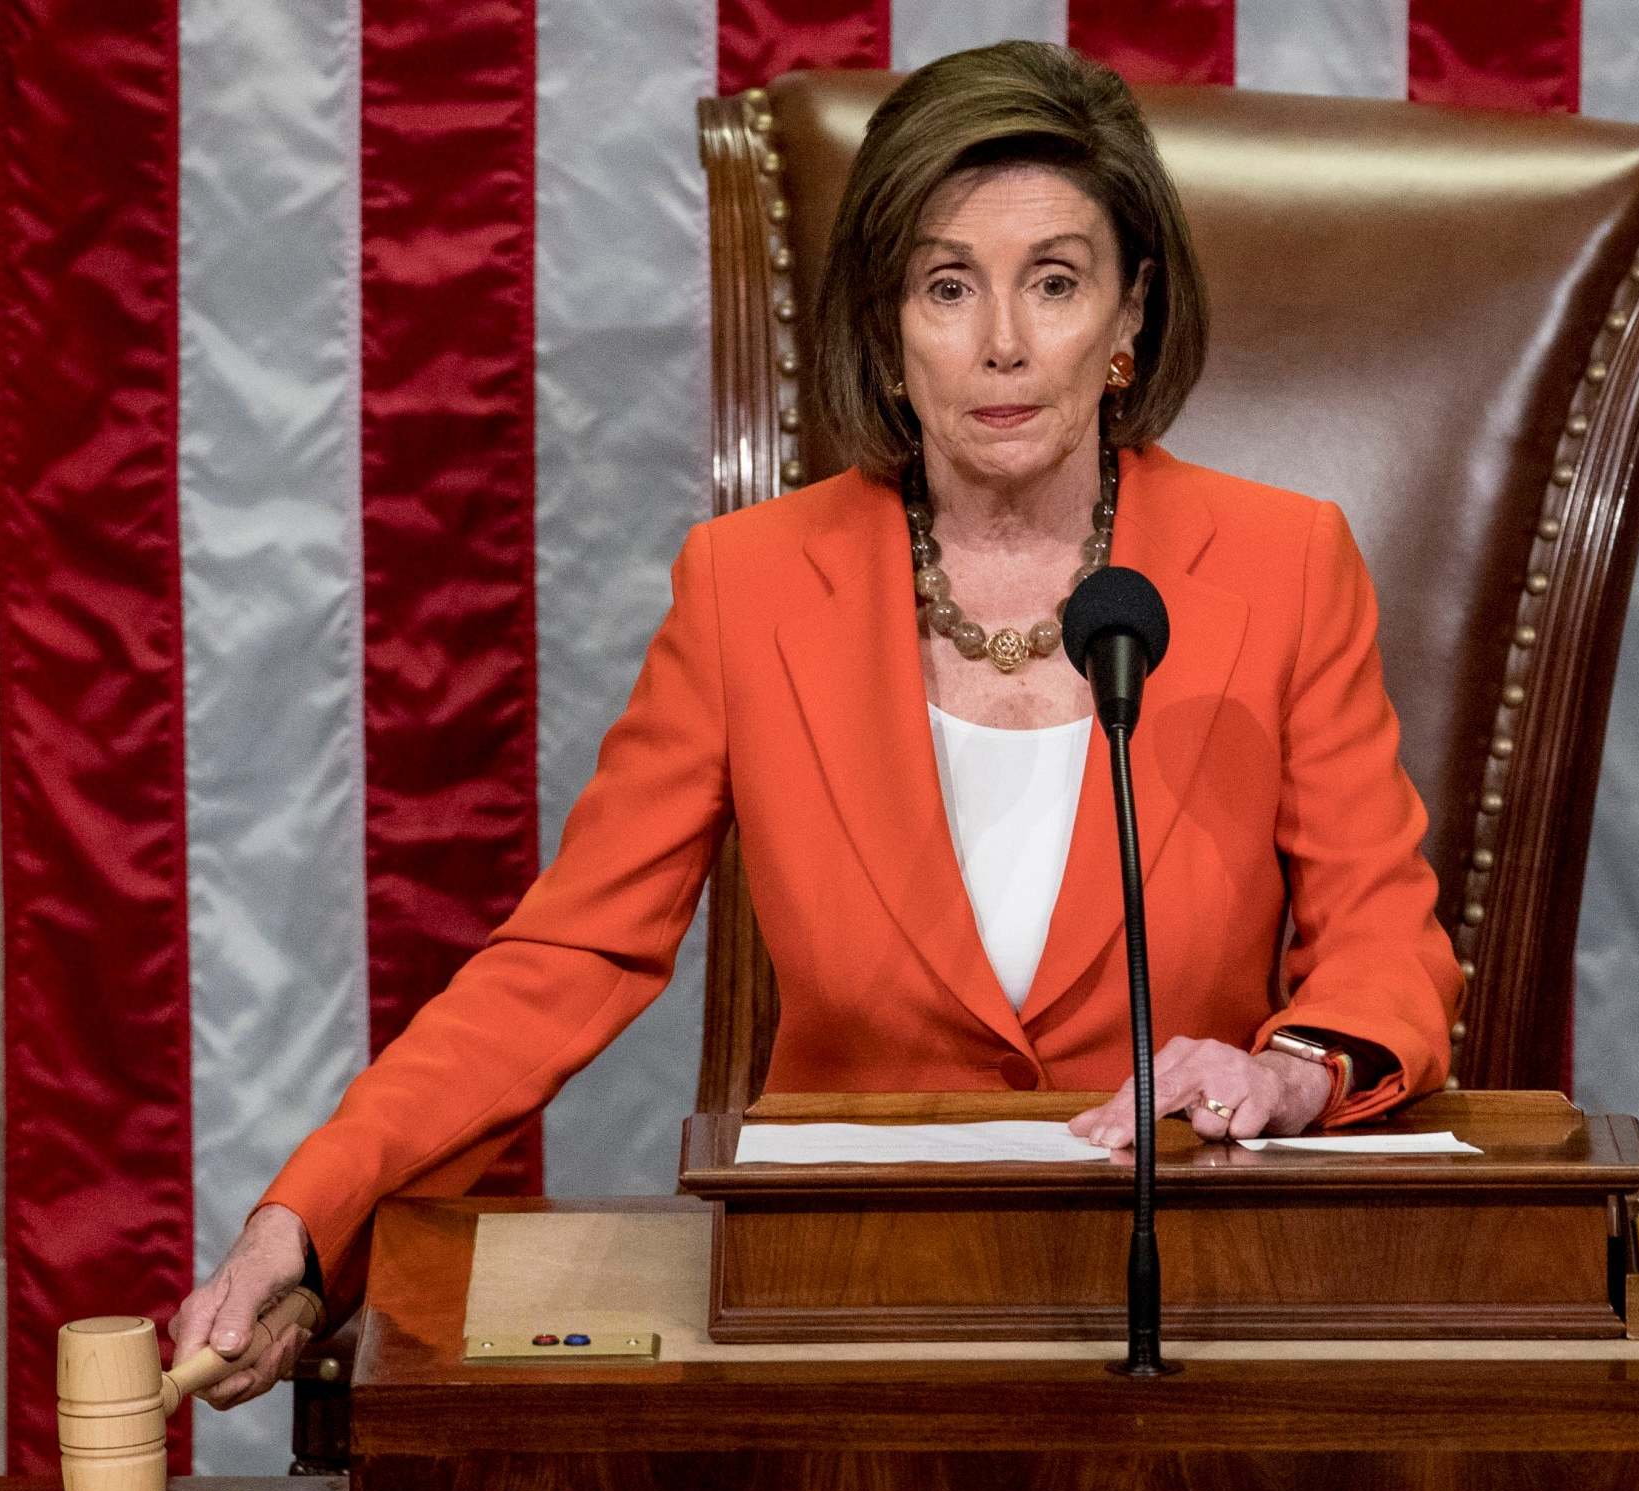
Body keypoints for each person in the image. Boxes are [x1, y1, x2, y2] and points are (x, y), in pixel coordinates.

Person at [170, 40, 1463, 1409]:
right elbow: (566, 956)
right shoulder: (750, 587)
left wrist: (1292, 1071)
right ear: (888, 327)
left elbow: (1383, 934)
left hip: (1186, 1285)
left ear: (1129, 311)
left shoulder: (1280, 562)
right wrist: (304, 1217)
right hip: (844, 1306)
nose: (1005, 343)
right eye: (948, 285)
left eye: (1056, 282)